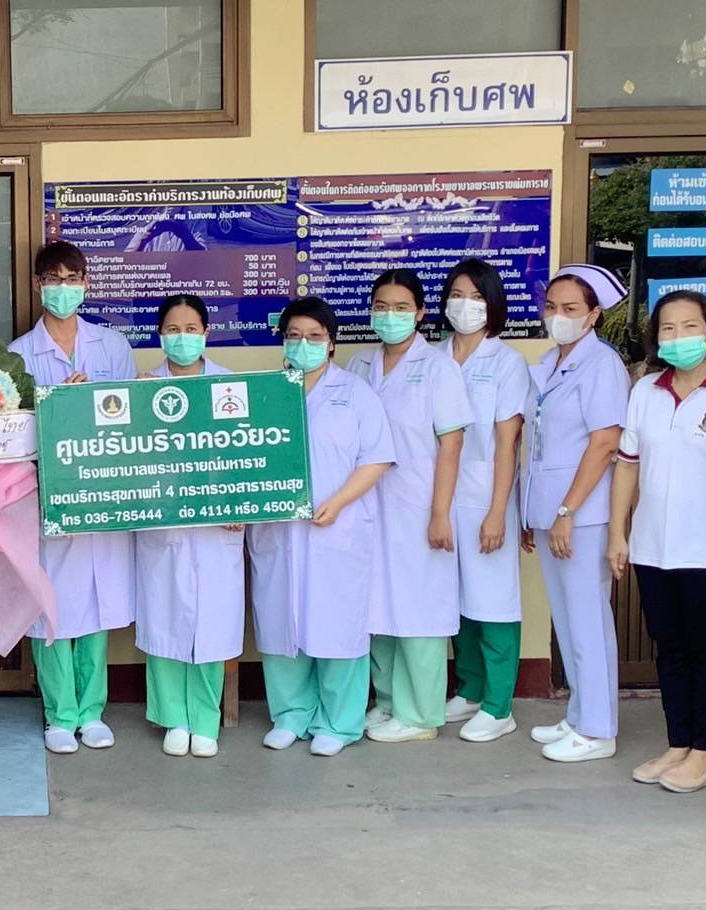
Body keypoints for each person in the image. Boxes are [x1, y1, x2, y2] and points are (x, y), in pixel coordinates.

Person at [606, 291, 706, 795]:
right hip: (653, 547)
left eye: (689, 326)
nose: (678, 337)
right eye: (668, 328)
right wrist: (617, 532)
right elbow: (627, 466)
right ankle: (679, 743)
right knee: (669, 648)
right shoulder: (645, 390)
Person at [249, 297, 395, 756]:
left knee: (337, 624)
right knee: (281, 622)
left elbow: (376, 459)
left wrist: (339, 502)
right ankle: (290, 714)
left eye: (315, 337)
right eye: (294, 336)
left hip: (337, 528)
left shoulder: (355, 393)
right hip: (278, 530)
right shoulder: (265, 393)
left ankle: (339, 721)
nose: (304, 344)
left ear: (331, 343)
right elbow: (242, 458)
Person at [7, 241, 137, 754]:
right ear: (38, 285)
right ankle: (59, 713)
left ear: (86, 283)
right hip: (49, 496)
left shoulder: (112, 346)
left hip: (101, 494)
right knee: (52, 607)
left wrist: (91, 406)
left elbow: (130, 416)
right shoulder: (18, 354)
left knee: (96, 606)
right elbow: (12, 433)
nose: (63, 288)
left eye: (72, 278)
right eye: (53, 279)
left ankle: (92, 711)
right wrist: (59, 407)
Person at [347, 269, 472, 744]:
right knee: (376, 606)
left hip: (418, 505)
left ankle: (420, 715)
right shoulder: (360, 364)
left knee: (418, 609)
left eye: (401, 308)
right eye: (381, 306)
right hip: (368, 507)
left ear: (420, 313)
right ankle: (388, 701)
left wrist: (440, 513)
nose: (390, 315)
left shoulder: (438, 367)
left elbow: (452, 444)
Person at [522, 264, 630, 763]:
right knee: (567, 621)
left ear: (593, 315)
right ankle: (580, 713)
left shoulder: (601, 364)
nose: (558, 316)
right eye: (551, 307)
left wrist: (566, 510)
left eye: (570, 308)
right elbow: (539, 443)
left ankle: (598, 730)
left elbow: (605, 441)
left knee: (588, 620)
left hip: (580, 515)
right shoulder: (549, 363)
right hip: (550, 511)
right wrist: (532, 511)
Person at [135, 294, 244, 758]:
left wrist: (241, 503)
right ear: (160, 335)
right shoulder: (142, 388)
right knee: (165, 620)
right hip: (164, 527)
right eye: (173, 330)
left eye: (191, 329)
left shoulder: (230, 387)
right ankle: (173, 718)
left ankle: (205, 718)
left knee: (212, 623)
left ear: (207, 333)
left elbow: (249, 453)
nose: (182, 338)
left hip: (218, 528)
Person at [436, 259, 533, 744]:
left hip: (484, 497)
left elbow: (507, 441)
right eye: (457, 295)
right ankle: (470, 689)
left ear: (493, 304)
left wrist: (498, 512)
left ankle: (499, 705)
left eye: (476, 297)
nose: (465, 305)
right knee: (455, 599)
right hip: (438, 497)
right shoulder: (434, 356)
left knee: (493, 601)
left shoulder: (506, 362)